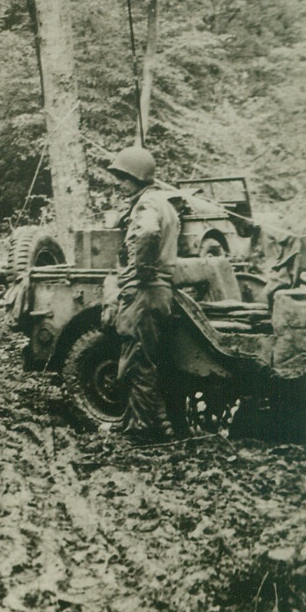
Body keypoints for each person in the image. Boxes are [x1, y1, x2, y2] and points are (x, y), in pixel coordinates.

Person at [106, 145, 182, 444]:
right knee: (146, 359)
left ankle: (139, 431)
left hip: (145, 292)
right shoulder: (164, 203)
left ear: (137, 177)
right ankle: (146, 423)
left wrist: (142, 269)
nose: (119, 183)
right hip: (158, 293)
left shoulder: (146, 205)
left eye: (123, 177)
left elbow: (148, 233)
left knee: (138, 364)